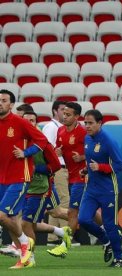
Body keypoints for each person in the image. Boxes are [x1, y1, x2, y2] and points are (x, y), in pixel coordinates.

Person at [0, 89, 49, 268]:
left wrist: (26, 152)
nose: (0, 103)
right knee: (11, 220)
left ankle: (25, 243)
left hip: (20, 176)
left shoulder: (19, 122)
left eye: (4, 100)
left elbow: (42, 140)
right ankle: (27, 259)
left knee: (2, 215)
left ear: (11, 104)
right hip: (2, 178)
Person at [20, 111, 72, 267]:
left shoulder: (43, 143)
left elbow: (55, 166)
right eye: (26, 120)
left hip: (40, 188)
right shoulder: (18, 141)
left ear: (37, 123)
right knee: (30, 222)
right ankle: (63, 232)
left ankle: (29, 257)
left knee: (26, 223)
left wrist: (36, 168)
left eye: (32, 120)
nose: (29, 123)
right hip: (22, 187)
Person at [78, 109, 122, 267]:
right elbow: (91, 161)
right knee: (83, 219)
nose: (87, 126)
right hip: (91, 188)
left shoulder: (108, 140)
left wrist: (101, 167)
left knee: (110, 224)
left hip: (108, 189)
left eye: (90, 123)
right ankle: (106, 241)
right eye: (85, 123)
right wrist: (86, 169)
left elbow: (120, 165)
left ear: (100, 123)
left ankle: (119, 258)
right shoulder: (87, 138)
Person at [47, 102, 89, 257]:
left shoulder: (83, 132)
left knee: (72, 211)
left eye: (68, 114)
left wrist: (82, 157)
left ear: (77, 117)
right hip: (70, 176)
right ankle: (106, 230)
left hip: (83, 176)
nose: (64, 117)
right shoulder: (60, 130)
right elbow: (60, 148)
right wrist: (58, 152)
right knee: (84, 212)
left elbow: (94, 152)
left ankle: (65, 244)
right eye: (64, 113)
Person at [41, 100, 71, 246]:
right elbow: (47, 149)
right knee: (65, 201)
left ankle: (53, 238)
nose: (64, 114)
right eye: (62, 110)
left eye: (67, 111)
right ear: (54, 111)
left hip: (64, 167)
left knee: (57, 205)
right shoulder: (51, 127)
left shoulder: (61, 127)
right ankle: (67, 235)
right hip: (57, 167)